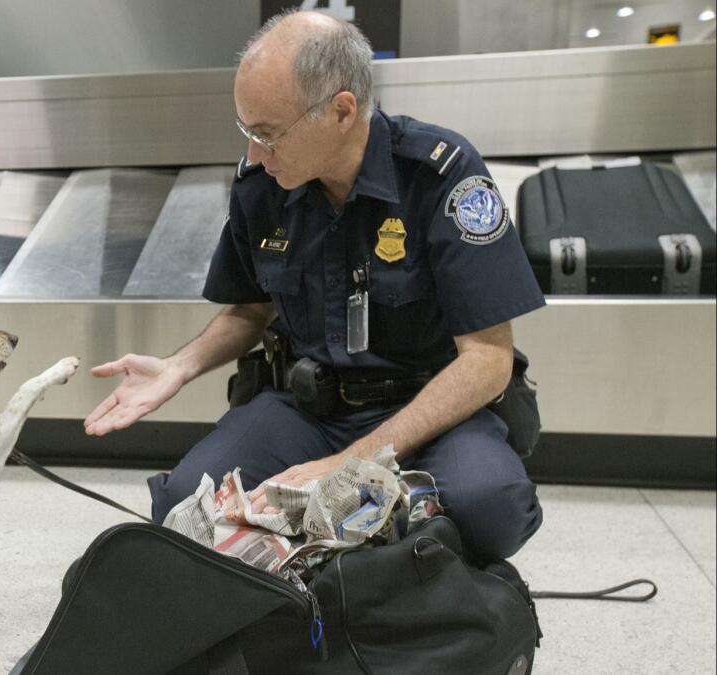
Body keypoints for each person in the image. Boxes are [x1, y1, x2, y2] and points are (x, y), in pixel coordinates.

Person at [84, 10, 544, 562]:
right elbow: (247, 312)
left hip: (429, 412)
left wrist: (351, 464)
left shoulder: (439, 174)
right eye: (247, 131)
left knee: (488, 506)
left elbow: (487, 361)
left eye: (268, 133)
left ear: (341, 110)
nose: (254, 152)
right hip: (307, 407)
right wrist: (178, 367)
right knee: (189, 507)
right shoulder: (264, 184)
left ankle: (409, 588)